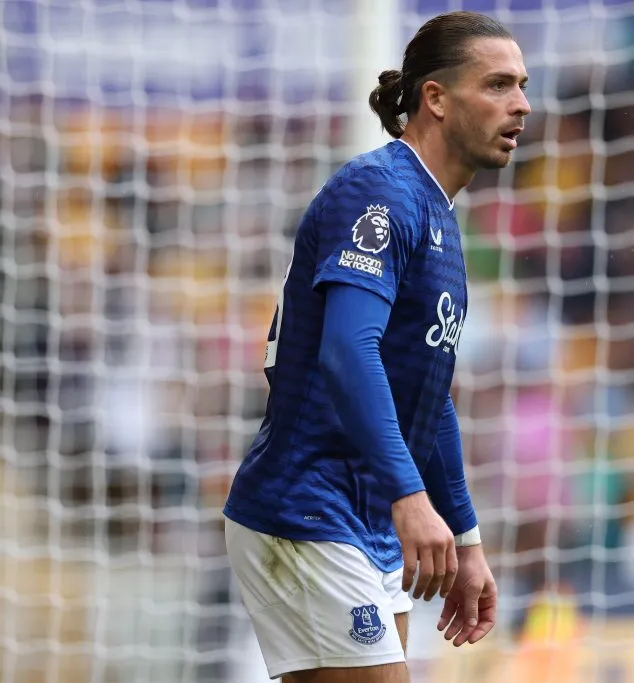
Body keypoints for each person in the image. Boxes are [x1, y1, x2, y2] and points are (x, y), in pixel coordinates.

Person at [222, 10, 530, 682]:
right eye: (500, 84)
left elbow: (428, 400)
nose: (522, 105)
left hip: (364, 518)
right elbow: (346, 350)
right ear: (437, 99)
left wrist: (467, 537)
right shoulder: (380, 191)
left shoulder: (438, 222)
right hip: (307, 505)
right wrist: (409, 496)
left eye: (522, 86)